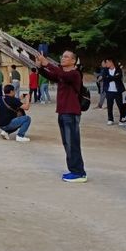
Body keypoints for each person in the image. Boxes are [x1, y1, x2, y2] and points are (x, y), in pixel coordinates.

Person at [36, 50, 87, 183]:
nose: (63, 58)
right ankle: (74, 170)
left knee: (72, 143)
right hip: (63, 112)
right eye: (62, 56)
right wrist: (40, 67)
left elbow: (61, 74)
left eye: (66, 57)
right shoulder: (62, 74)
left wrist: (47, 63)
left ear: (73, 61)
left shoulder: (74, 74)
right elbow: (52, 76)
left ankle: (79, 172)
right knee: (67, 143)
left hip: (71, 112)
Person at [102, 58, 126, 126]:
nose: (106, 64)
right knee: (109, 106)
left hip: (117, 91)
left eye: (106, 62)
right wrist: (114, 77)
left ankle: (122, 119)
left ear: (111, 62)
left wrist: (110, 77)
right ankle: (110, 119)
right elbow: (105, 78)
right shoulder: (105, 70)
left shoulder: (118, 69)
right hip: (109, 91)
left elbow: (119, 77)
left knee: (120, 105)